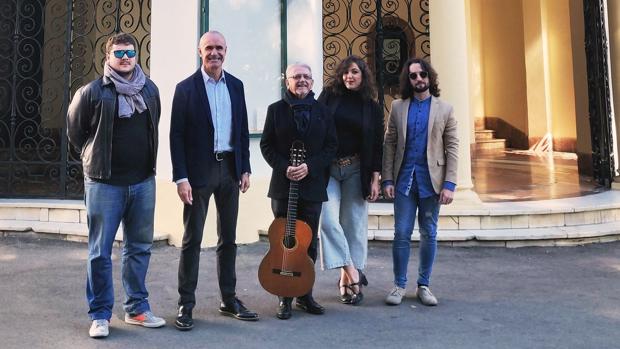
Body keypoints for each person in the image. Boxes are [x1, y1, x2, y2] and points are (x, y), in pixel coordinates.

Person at [67, 32, 165, 338]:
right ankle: (99, 315)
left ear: (137, 55)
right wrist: (90, 158)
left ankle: (136, 308)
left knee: (139, 248)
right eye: (119, 53)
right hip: (104, 184)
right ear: (107, 57)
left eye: (130, 53)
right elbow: (75, 133)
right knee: (100, 251)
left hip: (143, 182)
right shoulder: (92, 92)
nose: (125, 58)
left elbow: (155, 125)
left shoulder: (149, 89)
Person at [170, 30, 258, 331]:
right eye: (209, 48)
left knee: (228, 239)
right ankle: (186, 304)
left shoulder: (236, 85)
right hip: (197, 174)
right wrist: (181, 177)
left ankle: (229, 299)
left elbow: (242, 130)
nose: (214, 53)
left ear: (226, 51)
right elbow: (176, 136)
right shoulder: (185, 89)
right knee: (192, 239)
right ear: (200, 51)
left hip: (230, 171)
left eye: (219, 48)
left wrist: (245, 167)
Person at [260, 63, 338, 319]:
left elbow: (331, 147)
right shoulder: (275, 110)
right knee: (284, 240)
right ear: (287, 82)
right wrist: (285, 168)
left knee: (308, 243)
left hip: (313, 186)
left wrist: (310, 167)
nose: (302, 80)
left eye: (306, 77)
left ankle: (305, 294)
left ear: (312, 82)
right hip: (283, 188)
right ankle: (284, 296)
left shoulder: (324, 112)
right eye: (296, 77)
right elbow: (266, 145)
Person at [382, 57, 458, 306]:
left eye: (422, 74)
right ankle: (399, 285)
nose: (418, 79)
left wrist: (450, 184)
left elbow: (453, 147)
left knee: (429, 233)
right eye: (413, 76)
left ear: (430, 77)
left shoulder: (444, 109)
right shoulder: (398, 107)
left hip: (431, 181)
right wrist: (388, 178)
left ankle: (424, 285)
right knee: (401, 233)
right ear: (408, 80)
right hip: (404, 180)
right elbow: (390, 143)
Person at [318, 55, 384, 305]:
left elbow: (377, 145)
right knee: (327, 219)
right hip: (329, 169)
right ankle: (353, 270)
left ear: (363, 75)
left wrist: (376, 178)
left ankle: (346, 282)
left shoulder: (372, 106)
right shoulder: (328, 97)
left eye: (354, 72)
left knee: (354, 224)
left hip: (357, 169)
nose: (349, 76)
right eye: (345, 72)